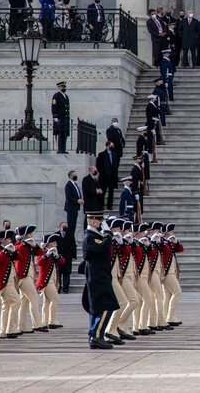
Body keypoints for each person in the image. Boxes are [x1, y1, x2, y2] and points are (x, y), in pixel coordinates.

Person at [82, 211, 120, 349]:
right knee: (106, 306)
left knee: (98, 307)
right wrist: (108, 235)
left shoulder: (93, 236)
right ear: (92, 222)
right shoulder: (90, 236)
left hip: (98, 275)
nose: (100, 225)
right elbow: (103, 246)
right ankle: (97, 335)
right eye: (99, 223)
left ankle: (95, 336)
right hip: (98, 276)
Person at [97, 142, 119, 210]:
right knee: (103, 191)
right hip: (104, 176)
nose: (113, 147)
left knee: (111, 192)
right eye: (111, 146)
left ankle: (110, 205)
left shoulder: (115, 155)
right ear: (107, 146)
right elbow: (98, 165)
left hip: (112, 177)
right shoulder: (101, 154)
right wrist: (103, 172)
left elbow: (116, 165)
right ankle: (101, 205)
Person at [63, 169, 84, 240]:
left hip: (75, 208)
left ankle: (72, 239)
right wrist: (77, 201)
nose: (76, 176)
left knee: (73, 225)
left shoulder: (75, 184)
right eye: (74, 175)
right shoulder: (68, 185)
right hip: (71, 208)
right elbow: (68, 197)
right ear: (71, 176)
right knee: (71, 225)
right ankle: (69, 240)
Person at [51, 81, 70, 154]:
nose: (63, 88)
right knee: (59, 134)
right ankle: (59, 148)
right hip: (59, 118)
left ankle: (63, 148)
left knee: (64, 133)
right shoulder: (56, 96)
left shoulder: (66, 96)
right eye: (62, 86)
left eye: (64, 86)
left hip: (65, 119)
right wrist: (55, 116)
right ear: (58, 87)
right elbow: (54, 106)